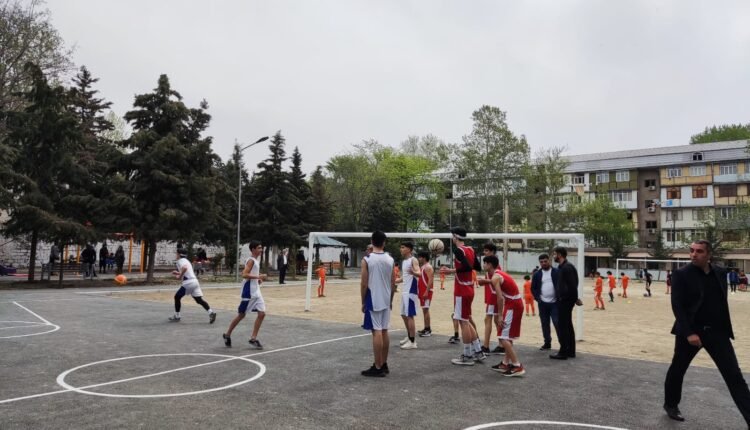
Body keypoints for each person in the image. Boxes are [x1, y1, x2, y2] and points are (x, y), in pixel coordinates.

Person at [663, 240, 750, 425]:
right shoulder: (681, 274)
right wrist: (689, 333)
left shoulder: (720, 272)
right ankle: (671, 404)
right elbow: (677, 306)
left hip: (717, 333)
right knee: (678, 369)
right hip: (691, 332)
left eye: (699, 251)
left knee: (734, 376)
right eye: (692, 251)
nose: (694, 254)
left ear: (709, 254)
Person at [441, 227, 486, 365]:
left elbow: (467, 267)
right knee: (466, 320)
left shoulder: (458, 250)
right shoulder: (470, 249)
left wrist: (451, 271)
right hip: (469, 288)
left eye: (452, 236)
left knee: (463, 322)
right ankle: (478, 351)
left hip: (461, 290)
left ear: (455, 237)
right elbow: (477, 267)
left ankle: (467, 355)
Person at [361, 231, 396, 377]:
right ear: (384, 242)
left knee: (376, 331)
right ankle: (384, 363)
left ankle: (378, 366)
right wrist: (391, 300)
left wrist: (363, 301)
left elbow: (364, 283)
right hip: (386, 299)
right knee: (384, 330)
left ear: (372, 241)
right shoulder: (390, 259)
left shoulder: (367, 259)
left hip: (374, 298)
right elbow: (393, 282)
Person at [485, 255, 526, 377]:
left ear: (489, 265)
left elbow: (500, 298)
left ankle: (517, 365)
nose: (483, 265)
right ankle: (505, 363)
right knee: (507, 336)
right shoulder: (498, 274)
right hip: (515, 304)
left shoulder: (495, 277)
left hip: (512, 305)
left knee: (503, 337)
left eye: (485, 263)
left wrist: (499, 315)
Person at [223, 240, 266, 348]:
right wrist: (258, 277)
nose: (261, 250)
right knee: (241, 315)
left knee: (262, 314)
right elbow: (244, 274)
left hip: (256, 292)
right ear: (253, 249)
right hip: (249, 293)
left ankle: (253, 338)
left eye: (261, 248)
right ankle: (227, 334)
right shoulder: (251, 261)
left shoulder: (255, 260)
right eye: (259, 248)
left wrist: (257, 279)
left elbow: (250, 274)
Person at [550, 246, 582, 360]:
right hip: (565, 300)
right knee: (567, 325)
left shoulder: (567, 268)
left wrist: (574, 299)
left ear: (559, 255)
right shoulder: (563, 267)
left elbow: (573, 285)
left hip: (565, 301)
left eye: (555, 254)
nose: (554, 256)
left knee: (563, 326)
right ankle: (570, 351)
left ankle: (563, 352)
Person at [169, 248, 216, 324]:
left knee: (177, 297)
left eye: (176, 253)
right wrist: (178, 273)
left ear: (179, 254)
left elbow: (185, 268)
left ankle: (177, 316)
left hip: (188, 282)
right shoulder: (187, 261)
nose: (176, 255)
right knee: (199, 300)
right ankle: (211, 312)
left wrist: (179, 276)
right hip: (195, 281)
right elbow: (186, 271)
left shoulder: (180, 261)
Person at [476, 242, 503, 354]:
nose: (484, 252)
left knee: (488, 319)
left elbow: (496, 281)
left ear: (492, 252)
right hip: (491, 296)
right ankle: (501, 344)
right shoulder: (490, 264)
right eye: (484, 250)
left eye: (486, 250)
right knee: (495, 320)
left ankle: (486, 346)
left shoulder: (494, 266)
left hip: (494, 296)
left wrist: (484, 281)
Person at [396, 241, 420, 350]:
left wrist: (414, 273)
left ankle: (413, 342)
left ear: (409, 249)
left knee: (410, 315)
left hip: (411, 291)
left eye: (403, 247)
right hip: (405, 291)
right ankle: (409, 336)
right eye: (400, 247)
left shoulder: (413, 260)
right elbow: (404, 277)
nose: (401, 249)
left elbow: (419, 273)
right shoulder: (404, 261)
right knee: (403, 314)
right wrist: (394, 281)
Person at [531, 253, 559, 351]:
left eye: (545, 261)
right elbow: (533, 288)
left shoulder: (556, 272)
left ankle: (563, 345)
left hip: (555, 303)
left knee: (557, 323)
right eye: (541, 262)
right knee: (545, 323)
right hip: (542, 304)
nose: (543, 263)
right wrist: (538, 299)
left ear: (549, 261)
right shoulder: (537, 274)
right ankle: (547, 343)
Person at [416, 251, 434, 338]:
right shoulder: (423, 267)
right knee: (424, 310)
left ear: (424, 258)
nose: (418, 259)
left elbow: (431, 280)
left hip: (426, 291)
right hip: (422, 291)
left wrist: (427, 291)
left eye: (420, 257)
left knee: (426, 310)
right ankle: (426, 327)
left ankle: (428, 330)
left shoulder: (428, 267)